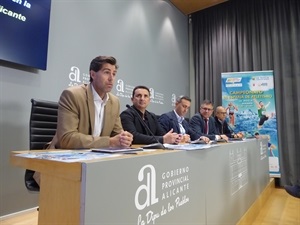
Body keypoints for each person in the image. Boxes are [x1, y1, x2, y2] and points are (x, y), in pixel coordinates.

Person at [48, 55, 133, 149]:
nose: (111, 78)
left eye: (114, 74)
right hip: (63, 155)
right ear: (93, 74)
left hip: (97, 156)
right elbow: (67, 139)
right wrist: (109, 142)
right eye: (106, 72)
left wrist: (124, 139)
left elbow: (117, 133)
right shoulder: (72, 95)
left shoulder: (114, 102)